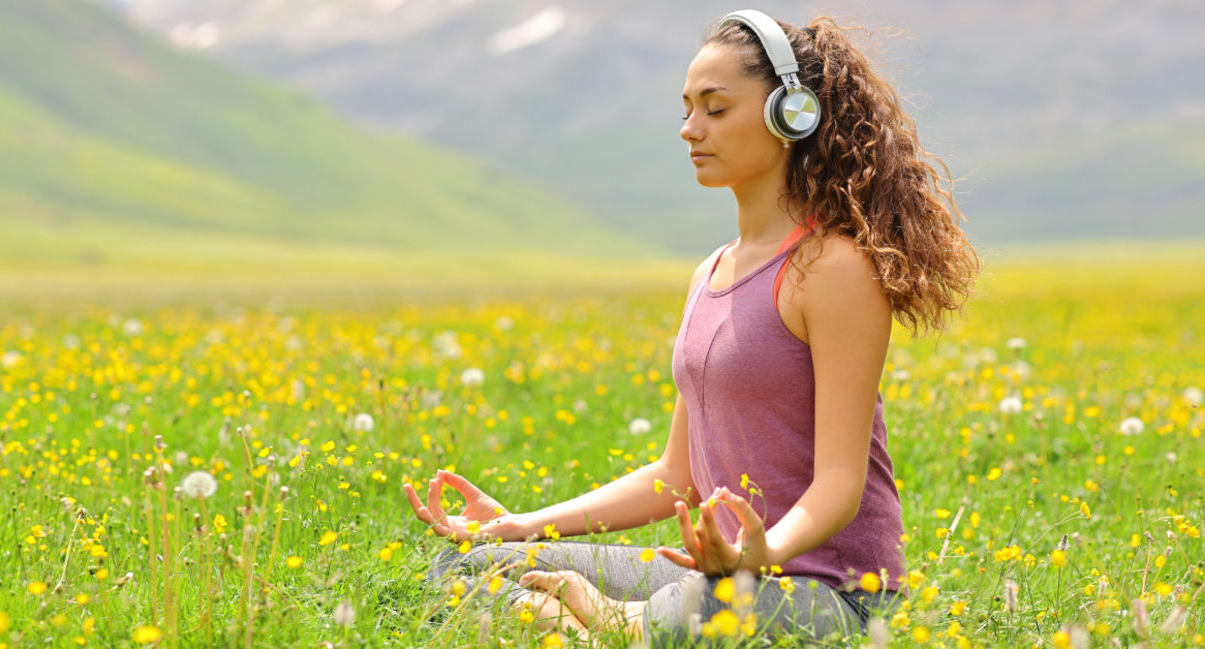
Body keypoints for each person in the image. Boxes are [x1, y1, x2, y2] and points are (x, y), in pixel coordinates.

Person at [403, 9, 978, 647]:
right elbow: (676, 476)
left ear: (793, 115)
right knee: (463, 568)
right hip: (713, 578)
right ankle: (602, 626)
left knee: (702, 610)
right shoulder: (711, 272)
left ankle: (606, 623)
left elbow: (840, 483)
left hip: (831, 596)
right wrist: (521, 525)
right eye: (686, 108)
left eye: (715, 108)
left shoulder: (834, 268)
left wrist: (758, 555)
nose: (688, 129)